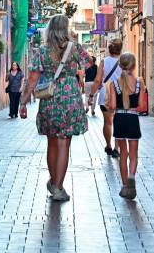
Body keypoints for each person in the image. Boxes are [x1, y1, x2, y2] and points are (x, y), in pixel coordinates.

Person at [21, 14, 91, 201]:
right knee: (64, 143)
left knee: (52, 142)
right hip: (70, 99)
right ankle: (58, 187)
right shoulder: (74, 48)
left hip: (50, 99)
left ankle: (54, 182)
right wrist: (74, 66)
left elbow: (33, 79)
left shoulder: (43, 51)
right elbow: (89, 62)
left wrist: (23, 102)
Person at [106, 53, 146, 199]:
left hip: (120, 119)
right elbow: (142, 106)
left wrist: (110, 106)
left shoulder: (114, 84)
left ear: (120, 65)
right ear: (134, 66)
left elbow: (113, 105)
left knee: (123, 154)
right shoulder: (139, 83)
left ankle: (124, 186)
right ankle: (131, 177)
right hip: (133, 119)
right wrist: (133, 108)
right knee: (134, 154)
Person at [88, 39, 123, 158]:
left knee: (108, 122)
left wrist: (91, 95)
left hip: (106, 94)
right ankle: (117, 148)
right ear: (120, 49)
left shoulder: (104, 61)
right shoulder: (124, 61)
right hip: (120, 94)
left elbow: (98, 80)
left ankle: (108, 145)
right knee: (119, 122)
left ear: (109, 49)